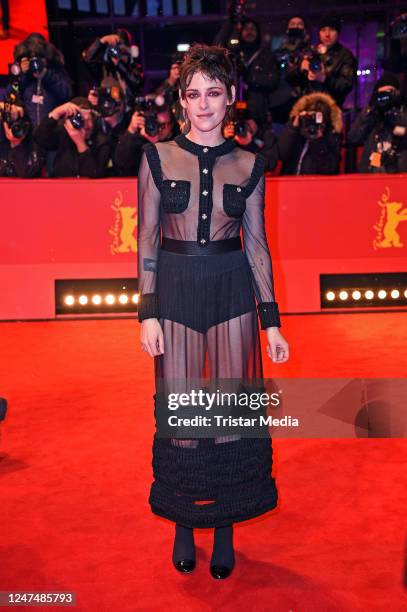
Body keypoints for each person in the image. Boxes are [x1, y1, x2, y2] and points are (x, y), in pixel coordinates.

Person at [137, 44, 289, 580]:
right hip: (175, 291)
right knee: (182, 412)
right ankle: (184, 520)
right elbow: (147, 237)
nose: (203, 105)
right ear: (182, 101)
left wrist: (270, 319)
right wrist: (146, 310)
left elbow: (257, 244)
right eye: (193, 94)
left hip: (231, 295)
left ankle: (223, 526)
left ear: (230, 100)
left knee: (225, 412)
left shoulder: (250, 164)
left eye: (213, 94)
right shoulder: (156, 157)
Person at [214, 16, 279, 129]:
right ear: (240, 32)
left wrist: (250, 77)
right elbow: (217, 46)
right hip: (233, 111)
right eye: (246, 29)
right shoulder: (234, 54)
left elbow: (273, 81)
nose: (249, 32)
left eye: (253, 29)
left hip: (258, 115)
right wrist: (231, 22)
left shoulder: (267, 55)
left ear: (258, 33)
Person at [34, 97, 111, 178]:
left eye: (88, 120)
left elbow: (94, 173)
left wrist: (80, 143)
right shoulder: (63, 133)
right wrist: (56, 113)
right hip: (63, 187)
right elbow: (39, 138)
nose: (85, 126)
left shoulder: (102, 141)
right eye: (80, 120)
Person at [348, 73, 407, 173]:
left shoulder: (403, 112)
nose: (385, 99)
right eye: (381, 95)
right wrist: (370, 109)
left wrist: (396, 114)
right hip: (371, 174)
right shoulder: (372, 115)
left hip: (398, 172)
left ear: (397, 94)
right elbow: (353, 137)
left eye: (389, 93)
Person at [10, 33, 72, 128]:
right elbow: (14, 95)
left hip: (52, 130)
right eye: (31, 58)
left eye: (38, 57)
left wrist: (45, 75)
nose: (35, 62)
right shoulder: (23, 76)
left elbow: (66, 93)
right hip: (29, 132)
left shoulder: (56, 71)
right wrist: (23, 75)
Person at [295, 13, 357, 108]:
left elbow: (346, 85)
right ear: (319, 33)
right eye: (323, 30)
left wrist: (324, 78)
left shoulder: (345, 56)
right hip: (309, 107)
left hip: (332, 109)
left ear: (338, 33)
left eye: (331, 30)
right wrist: (300, 68)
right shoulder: (311, 52)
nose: (327, 34)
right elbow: (293, 80)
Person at [278, 91, 343, 175]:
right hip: (290, 183)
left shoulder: (332, 136)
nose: (313, 122)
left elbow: (329, 169)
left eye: (317, 119)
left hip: (317, 185)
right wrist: (293, 128)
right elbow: (282, 155)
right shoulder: (296, 132)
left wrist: (318, 142)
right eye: (309, 117)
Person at [114, 103, 175, 176]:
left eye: (163, 125)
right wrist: (131, 131)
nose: (158, 129)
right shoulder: (136, 141)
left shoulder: (177, 144)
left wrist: (155, 144)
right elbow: (121, 163)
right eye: (155, 123)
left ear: (171, 125)